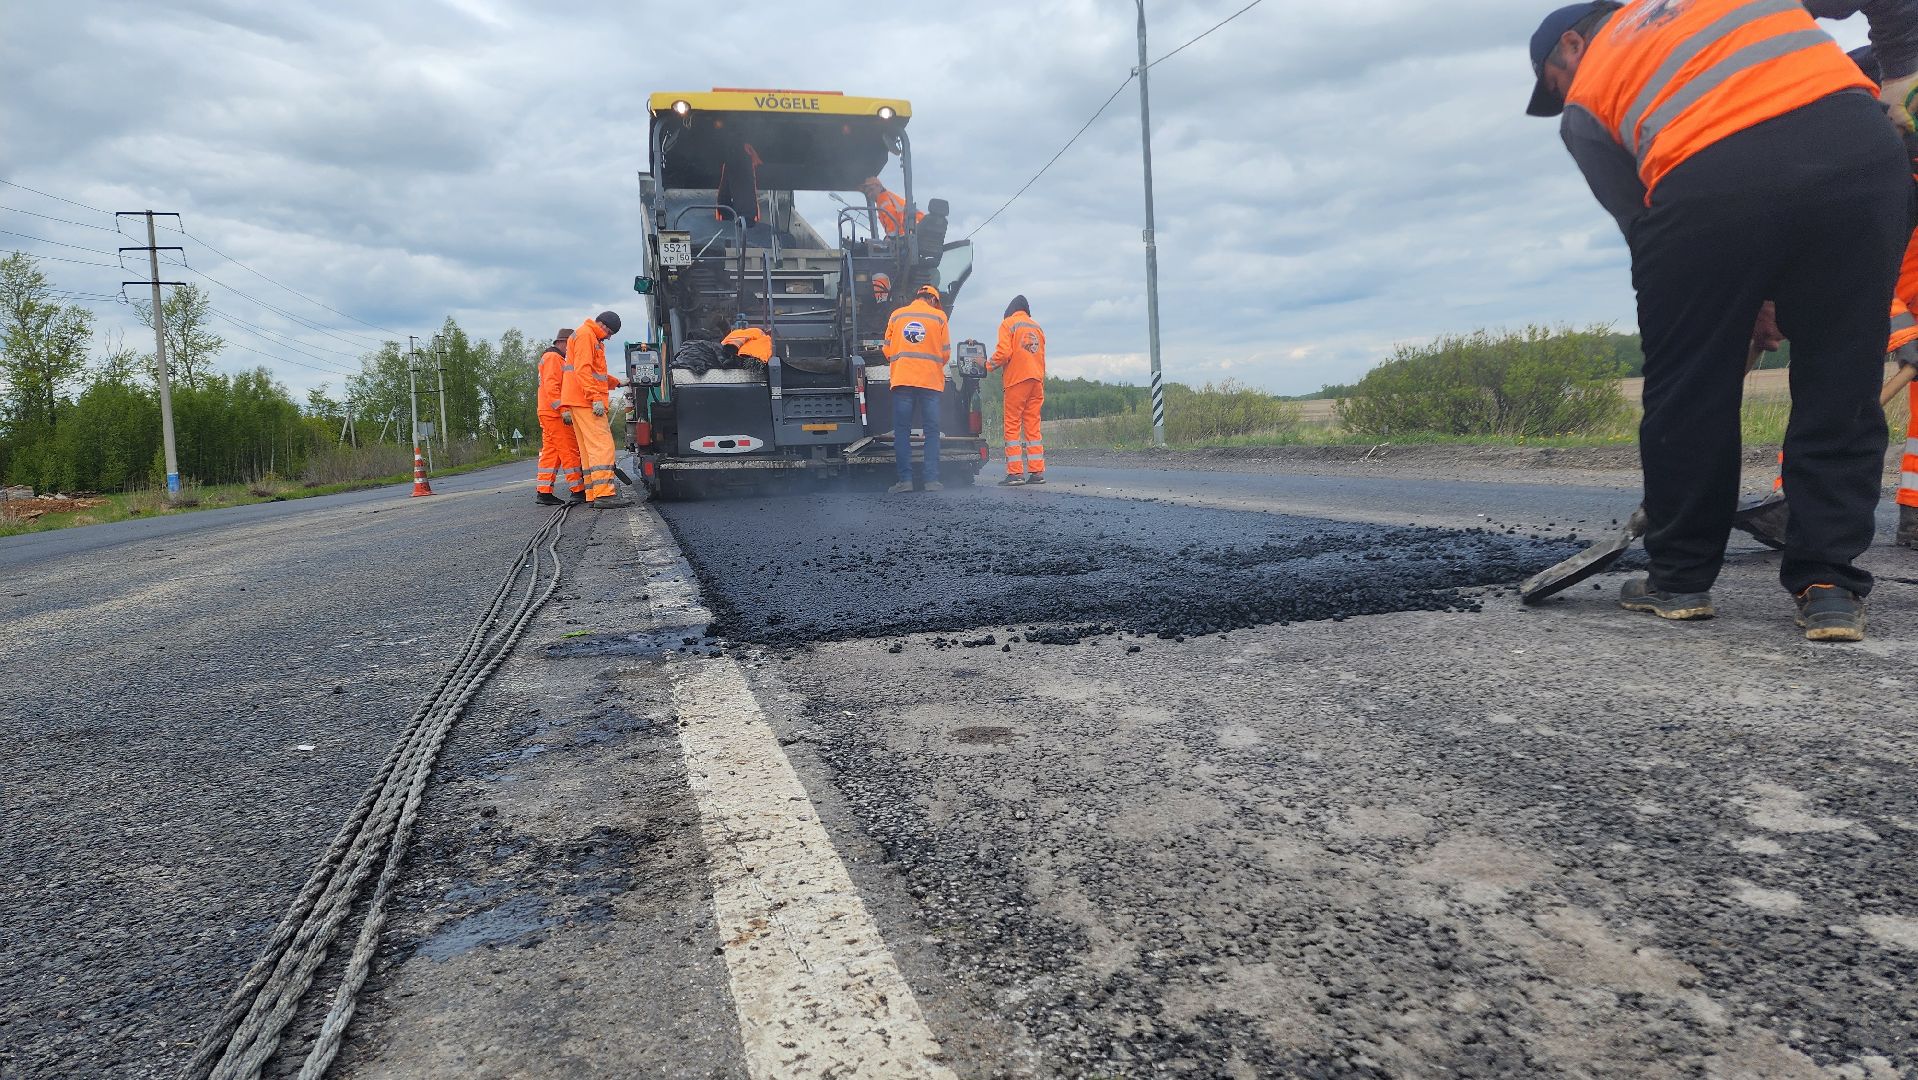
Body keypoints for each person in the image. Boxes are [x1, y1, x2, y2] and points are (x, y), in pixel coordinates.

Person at [1526, 0, 1918, 642]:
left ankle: (1679, 578)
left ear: (1572, 43)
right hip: (1860, 157)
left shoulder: (1584, 109)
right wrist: (1902, 71)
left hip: (1707, 182)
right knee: (1842, 378)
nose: (1563, 95)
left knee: (1688, 384)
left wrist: (1728, 309)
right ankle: (1830, 588)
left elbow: (1643, 223)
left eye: (1554, 81)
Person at [559, 310, 633, 509]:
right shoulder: (587, 336)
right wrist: (595, 398)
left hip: (577, 400)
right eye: (610, 333)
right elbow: (583, 371)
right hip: (586, 401)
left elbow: (595, 373)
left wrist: (617, 382)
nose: (609, 337)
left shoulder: (586, 335)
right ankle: (604, 494)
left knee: (588, 450)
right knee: (602, 445)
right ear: (603, 325)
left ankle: (593, 493)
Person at [884, 284, 950, 493]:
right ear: (933, 299)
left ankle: (905, 481)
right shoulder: (939, 317)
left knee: (902, 432)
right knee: (931, 431)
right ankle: (931, 481)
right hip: (930, 382)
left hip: (903, 380)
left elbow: (886, 350)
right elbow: (945, 354)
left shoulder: (897, 315)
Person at [990, 295, 1048, 485]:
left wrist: (986, 366)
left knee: (1012, 425)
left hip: (1017, 381)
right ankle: (1037, 472)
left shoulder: (1008, 324)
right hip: (1037, 381)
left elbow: (1004, 353)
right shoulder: (1037, 327)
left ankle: (1015, 473)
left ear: (1010, 310)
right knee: (1033, 426)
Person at [534, 328, 582, 505]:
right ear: (563, 342)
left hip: (548, 412)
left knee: (551, 452)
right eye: (571, 345)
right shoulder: (554, 358)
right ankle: (578, 490)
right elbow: (552, 386)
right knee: (569, 450)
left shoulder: (551, 358)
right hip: (555, 414)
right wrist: (563, 410)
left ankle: (544, 492)